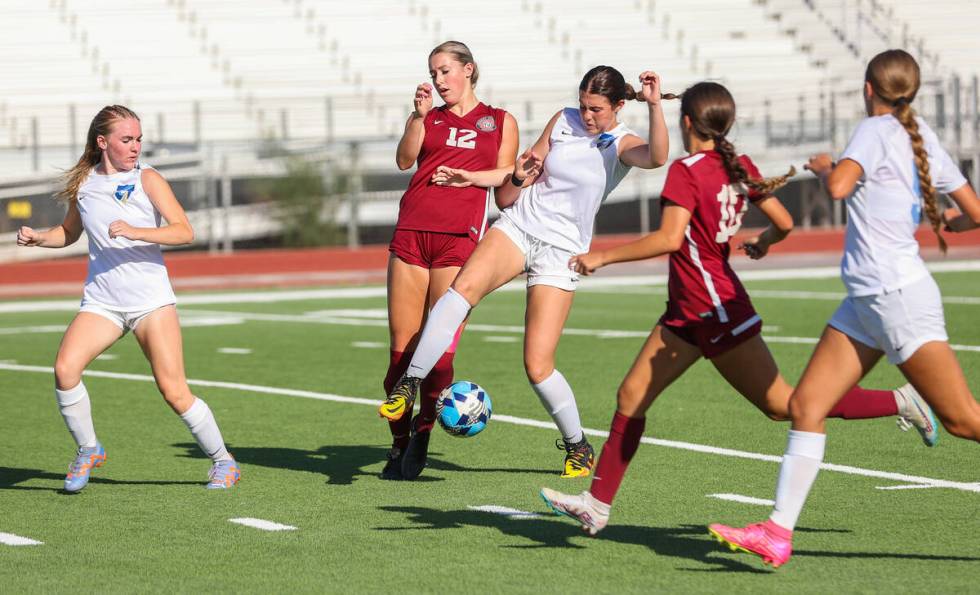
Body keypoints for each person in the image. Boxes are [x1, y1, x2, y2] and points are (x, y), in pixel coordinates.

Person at [538, 81, 937, 535]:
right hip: (687, 310)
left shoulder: (688, 171)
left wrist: (602, 256)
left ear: (686, 121)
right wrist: (763, 242)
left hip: (714, 309)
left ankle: (901, 401)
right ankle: (597, 504)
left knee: (784, 404)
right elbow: (783, 222)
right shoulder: (736, 163)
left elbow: (670, 239)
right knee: (631, 396)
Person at [708, 50, 980, 568]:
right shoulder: (918, 132)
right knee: (808, 406)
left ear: (869, 88)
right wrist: (937, 223)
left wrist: (825, 165)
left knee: (965, 420)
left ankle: (776, 529)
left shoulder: (876, 128)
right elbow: (976, 215)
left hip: (894, 296)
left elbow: (836, 186)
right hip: (867, 300)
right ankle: (776, 533)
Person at [379, 65, 671, 479]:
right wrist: (473, 178)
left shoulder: (621, 143)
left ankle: (577, 447)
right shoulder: (564, 119)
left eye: (596, 110)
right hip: (520, 226)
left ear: (619, 106)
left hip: (561, 250)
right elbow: (524, 170)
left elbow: (657, 157)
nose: (586, 116)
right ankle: (409, 383)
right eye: (584, 105)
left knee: (537, 366)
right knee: (459, 294)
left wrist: (656, 107)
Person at [15, 105, 240, 492]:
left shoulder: (147, 178)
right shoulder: (84, 181)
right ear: (103, 142)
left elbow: (184, 232)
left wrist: (137, 231)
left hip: (151, 302)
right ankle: (88, 449)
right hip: (102, 301)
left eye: (138, 139)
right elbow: (69, 233)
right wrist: (39, 238)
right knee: (65, 370)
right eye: (126, 140)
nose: (135, 146)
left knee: (173, 390)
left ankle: (223, 461)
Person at [380, 41, 519, 480]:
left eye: (445, 71)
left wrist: (468, 178)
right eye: (433, 73)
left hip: (459, 241)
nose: (439, 81)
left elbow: (507, 177)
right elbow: (405, 160)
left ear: (468, 70)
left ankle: (422, 432)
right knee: (400, 356)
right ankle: (398, 445)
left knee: (437, 353)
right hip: (411, 234)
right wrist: (418, 119)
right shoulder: (428, 117)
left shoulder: (499, 120)